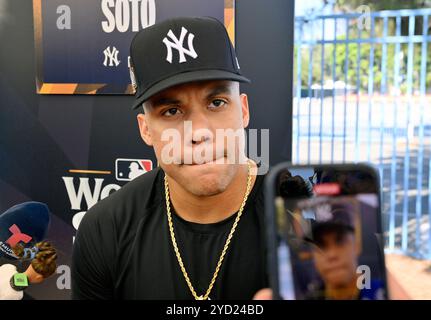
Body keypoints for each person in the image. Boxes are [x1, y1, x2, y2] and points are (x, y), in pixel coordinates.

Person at [71, 16, 268, 300]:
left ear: (244, 110)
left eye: (216, 103)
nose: (199, 132)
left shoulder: (299, 221)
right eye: (172, 111)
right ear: (146, 129)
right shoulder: (106, 229)